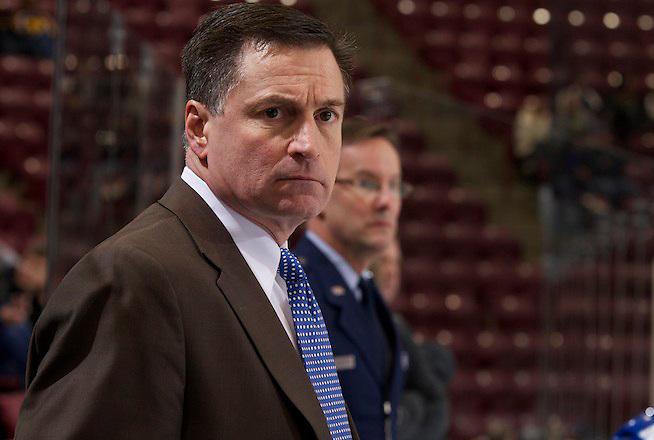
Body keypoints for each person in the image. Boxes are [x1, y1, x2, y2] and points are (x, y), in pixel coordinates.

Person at [15, 4, 359, 440]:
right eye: (275, 113)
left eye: (326, 115)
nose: (307, 144)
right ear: (199, 128)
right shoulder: (132, 279)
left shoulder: (284, 277)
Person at [293, 118, 409, 440]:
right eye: (367, 184)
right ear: (322, 188)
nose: (387, 202)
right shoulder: (293, 289)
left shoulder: (366, 292)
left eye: (395, 186)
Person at [371, 240, 454, 440]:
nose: (391, 272)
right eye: (383, 262)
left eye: (396, 263)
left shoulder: (397, 325)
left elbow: (436, 399)